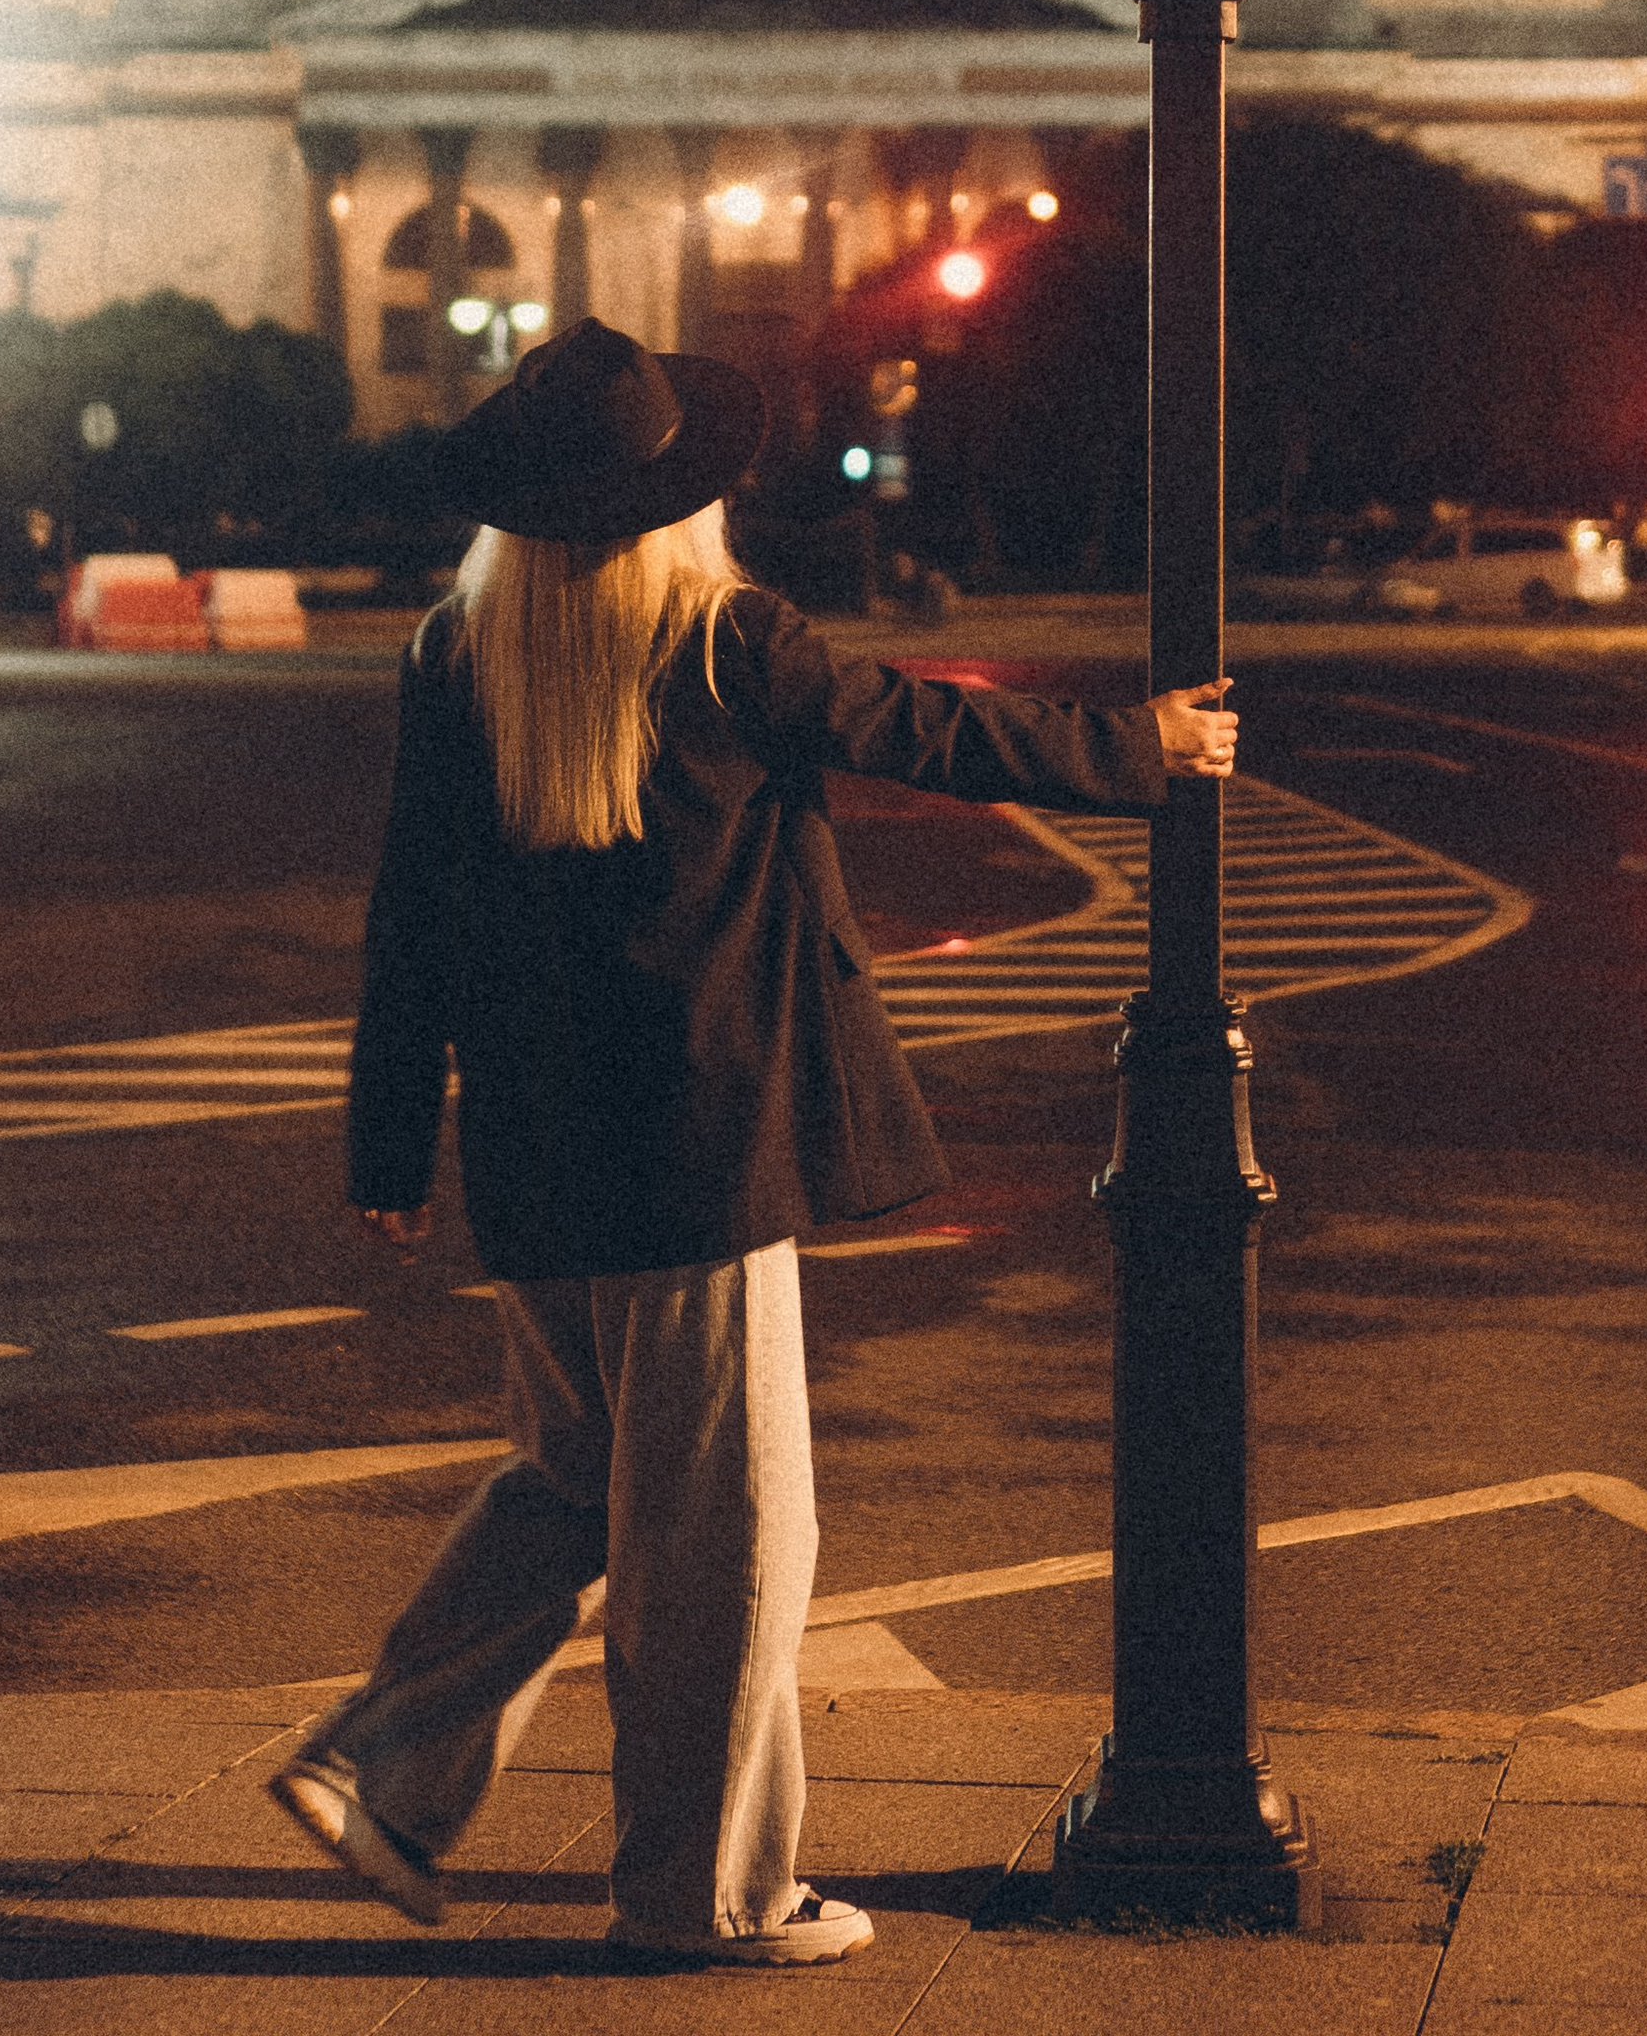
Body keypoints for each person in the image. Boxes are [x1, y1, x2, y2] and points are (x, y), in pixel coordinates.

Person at [269, 314, 1236, 1969]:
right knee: (729, 1543)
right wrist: (1139, 752)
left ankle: (382, 1772)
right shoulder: (724, 639)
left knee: (574, 1484)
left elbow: (405, 922)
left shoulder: (457, 652)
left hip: (533, 1152)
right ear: (678, 500)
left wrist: (385, 1145)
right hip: (703, 1152)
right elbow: (926, 731)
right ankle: (704, 1895)